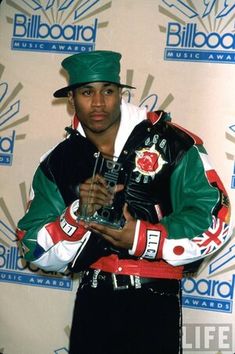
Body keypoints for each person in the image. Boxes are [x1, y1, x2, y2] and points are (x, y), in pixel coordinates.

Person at [17, 50, 232, 354]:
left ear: (120, 93)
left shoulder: (171, 142)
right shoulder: (58, 162)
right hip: (93, 301)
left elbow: (215, 216)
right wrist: (75, 218)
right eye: (86, 91)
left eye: (107, 90)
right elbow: (31, 246)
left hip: (154, 300)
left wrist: (144, 238)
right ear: (71, 99)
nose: (98, 102)